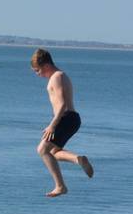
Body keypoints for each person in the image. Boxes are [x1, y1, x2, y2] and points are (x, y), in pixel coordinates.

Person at [30, 49, 93, 197]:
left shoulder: (56, 77)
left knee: (42, 150)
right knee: (53, 153)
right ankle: (78, 159)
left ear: (46, 65)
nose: (37, 74)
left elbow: (63, 104)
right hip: (71, 119)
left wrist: (52, 125)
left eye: (37, 70)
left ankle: (60, 186)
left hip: (65, 117)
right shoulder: (61, 76)